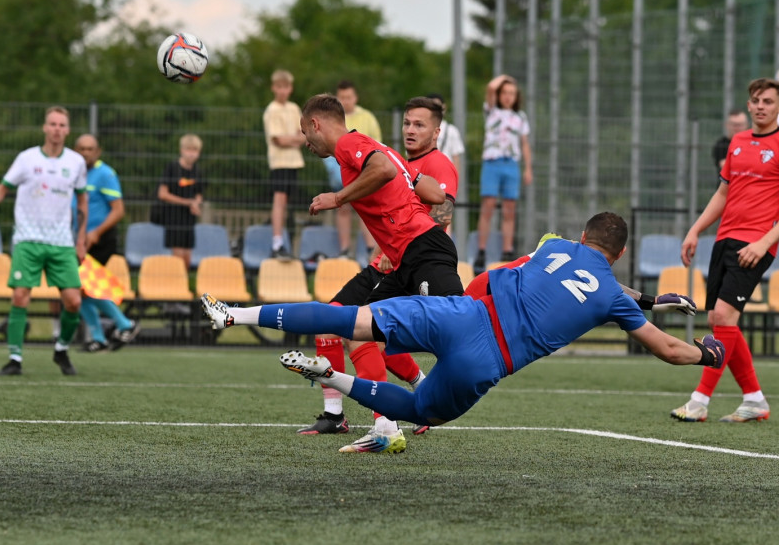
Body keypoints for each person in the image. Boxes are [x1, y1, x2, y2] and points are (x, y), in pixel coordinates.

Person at [202, 212, 725, 450]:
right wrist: (706, 354)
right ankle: (329, 378)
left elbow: (567, 273)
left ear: (582, 235)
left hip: (463, 313)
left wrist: (641, 297)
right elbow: (668, 349)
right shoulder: (613, 296)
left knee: (349, 318)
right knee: (416, 411)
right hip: (487, 359)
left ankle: (234, 315)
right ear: (623, 255)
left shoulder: (556, 246)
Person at [292, 93, 460, 452]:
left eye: (306, 132)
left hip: (422, 251)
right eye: (407, 122)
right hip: (401, 256)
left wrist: (337, 198)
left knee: (458, 327)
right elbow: (420, 187)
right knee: (354, 330)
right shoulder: (384, 152)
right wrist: (408, 182)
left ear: (316, 124)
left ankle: (427, 395)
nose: (306, 142)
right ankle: (383, 423)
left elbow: (397, 178)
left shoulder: (356, 145)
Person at [671, 77, 779, 423]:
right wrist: (696, 230)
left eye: (769, 101)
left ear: (777, 107)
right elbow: (722, 194)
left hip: (756, 244)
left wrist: (764, 242)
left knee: (725, 318)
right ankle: (755, 399)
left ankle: (699, 401)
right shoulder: (737, 141)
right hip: (725, 240)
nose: (761, 106)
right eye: (757, 100)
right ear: (748, 105)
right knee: (719, 320)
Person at [0, 106, 88, 376]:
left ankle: (61, 350)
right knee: (20, 296)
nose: (57, 129)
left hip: (61, 243)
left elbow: (83, 199)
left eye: (62, 125)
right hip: (28, 239)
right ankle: (15, 359)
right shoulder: (26, 159)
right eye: (53, 124)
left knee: (73, 301)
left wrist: (80, 239)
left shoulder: (76, 162)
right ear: (44, 128)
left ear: (67, 130)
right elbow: (2, 188)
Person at [74, 133, 139, 352]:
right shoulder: (73, 173)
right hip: (79, 239)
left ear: (97, 152)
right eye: (81, 149)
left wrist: (96, 232)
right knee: (79, 288)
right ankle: (101, 337)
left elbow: (118, 210)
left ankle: (124, 324)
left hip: (100, 240)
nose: (85, 153)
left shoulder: (105, 174)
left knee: (83, 287)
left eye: (89, 149)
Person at [475, 75, 532, 271]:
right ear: (500, 95)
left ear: (517, 97)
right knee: (488, 207)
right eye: (505, 93)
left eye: (512, 94)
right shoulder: (491, 111)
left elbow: (524, 144)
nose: (508, 97)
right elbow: (491, 86)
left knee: (509, 209)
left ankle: (507, 251)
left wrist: (528, 168)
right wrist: (507, 78)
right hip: (493, 162)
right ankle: (481, 250)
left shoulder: (520, 117)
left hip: (511, 164)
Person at [322, 81, 382, 256]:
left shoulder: (368, 117)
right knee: (342, 207)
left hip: (364, 171)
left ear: (355, 97)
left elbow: (377, 144)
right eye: (342, 98)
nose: (346, 101)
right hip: (340, 170)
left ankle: (371, 248)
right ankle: (344, 250)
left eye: (348, 97)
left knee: (366, 210)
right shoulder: (332, 117)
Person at [263, 69, 305, 259]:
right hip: (279, 162)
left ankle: (285, 242)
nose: (282, 90)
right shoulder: (272, 110)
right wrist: (294, 139)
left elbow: (303, 136)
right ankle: (277, 242)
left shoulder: (294, 108)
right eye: (279, 87)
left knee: (288, 204)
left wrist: (294, 139)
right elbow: (277, 140)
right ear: (274, 88)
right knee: (279, 201)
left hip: (294, 162)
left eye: (286, 87)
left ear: (291, 88)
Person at [156, 133, 204, 269]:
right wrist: (186, 202)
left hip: (189, 220)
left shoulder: (198, 171)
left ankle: (185, 287)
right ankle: (176, 286)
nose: (191, 154)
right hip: (174, 218)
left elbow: (199, 194)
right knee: (178, 258)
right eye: (189, 150)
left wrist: (196, 203)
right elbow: (162, 194)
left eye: (195, 150)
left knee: (187, 258)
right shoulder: (172, 168)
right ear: (182, 150)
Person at [711, 109, 750, 173]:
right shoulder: (721, 144)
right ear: (727, 125)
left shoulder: (753, 143)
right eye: (734, 124)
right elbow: (724, 165)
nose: (737, 128)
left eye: (740, 125)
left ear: (747, 125)